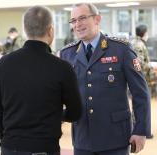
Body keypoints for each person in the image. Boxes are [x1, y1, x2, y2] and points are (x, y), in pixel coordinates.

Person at [59, 3, 151, 155]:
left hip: (115, 137)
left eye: (82, 18)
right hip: (83, 138)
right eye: (73, 20)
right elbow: (61, 94)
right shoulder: (67, 54)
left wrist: (140, 130)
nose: (77, 24)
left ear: (97, 19)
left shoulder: (121, 50)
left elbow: (140, 92)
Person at [0, 5, 81, 155]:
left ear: (25, 29)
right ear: (50, 30)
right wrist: (57, 114)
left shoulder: (4, 63)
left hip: (10, 146)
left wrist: (6, 137)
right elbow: (75, 112)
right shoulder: (62, 67)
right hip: (44, 147)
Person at [131, 24, 157, 139]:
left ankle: (138, 129)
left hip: (138, 79)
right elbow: (140, 64)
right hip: (140, 80)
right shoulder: (138, 45)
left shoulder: (136, 43)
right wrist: (151, 65)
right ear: (143, 33)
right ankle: (141, 131)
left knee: (139, 105)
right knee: (142, 105)